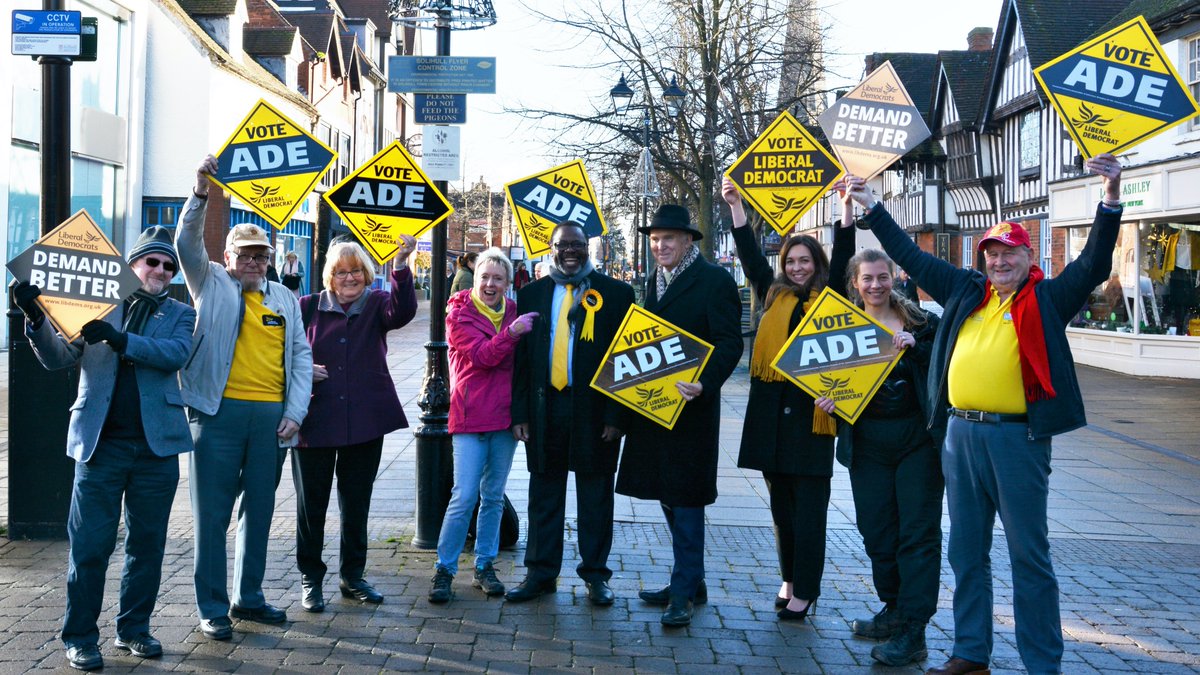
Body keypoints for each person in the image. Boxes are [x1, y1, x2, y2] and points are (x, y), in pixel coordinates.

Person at [842, 152, 1124, 675]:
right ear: (983, 258)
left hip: (1016, 439)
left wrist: (1109, 200)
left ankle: (1042, 663)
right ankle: (971, 652)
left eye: (1009, 254)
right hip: (959, 437)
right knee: (965, 554)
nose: (999, 262)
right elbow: (910, 254)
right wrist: (871, 207)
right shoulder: (966, 292)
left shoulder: (1047, 298)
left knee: (1028, 557)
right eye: (991, 254)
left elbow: (1094, 265)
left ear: (1027, 256)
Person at [13, 228, 195, 671]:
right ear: (132, 266)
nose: (161, 271)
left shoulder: (181, 312)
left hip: (157, 450)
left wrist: (122, 341)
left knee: (147, 546)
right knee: (90, 547)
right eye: (153, 262)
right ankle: (79, 637)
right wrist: (35, 317)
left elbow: (176, 353)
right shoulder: (95, 307)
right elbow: (58, 358)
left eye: (169, 266)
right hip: (100, 448)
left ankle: (134, 629)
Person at [177, 155, 313, 641]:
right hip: (216, 414)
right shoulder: (209, 281)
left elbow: (300, 358)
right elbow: (185, 242)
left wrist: (295, 413)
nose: (254, 263)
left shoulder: (284, 299)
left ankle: (248, 598)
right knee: (211, 514)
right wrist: (200, 191)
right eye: (246, 255)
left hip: (271, 419)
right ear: (229, 257)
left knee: (259, 509)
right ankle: (212, 606)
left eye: (262, 256)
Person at [826, 181, 945, 667]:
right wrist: (828, 399)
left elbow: (942, 378)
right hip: (868, 446)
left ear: (894, 277)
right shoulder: (841, 332)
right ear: (855, 284)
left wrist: (918, 356)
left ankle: (914, 630)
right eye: (866, 278)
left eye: (882, 276)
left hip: (917, 445)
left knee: (917, 534)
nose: (875, 284)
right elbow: (828, 380)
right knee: (878, 531)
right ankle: (893, 610)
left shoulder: (922, 326)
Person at [616, 204, 743, 627]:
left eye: (668, 238)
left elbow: (729, 342)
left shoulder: (715, 280)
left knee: (686, 500)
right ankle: (691, 581)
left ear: (688, 240)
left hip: (692, 409)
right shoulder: (656, 280)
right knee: (669, 496)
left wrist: (705, 383)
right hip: (657, 408)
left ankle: (684, 592)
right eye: (654, 239)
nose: (660, 245)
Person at [721, 177, 836, 623]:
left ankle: (806, 590)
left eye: (805, 260)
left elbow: (845, 255)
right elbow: (750, 259)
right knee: (781, 509)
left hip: (812, 419)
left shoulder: (832, 298)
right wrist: (735, 208)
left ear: (817, 263)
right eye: (792, 260)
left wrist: (845, 216)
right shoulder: (773, 292)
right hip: (771, 419)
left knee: (809, 511)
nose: (798, 267)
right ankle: (788, 578)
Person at [506, 221, 636, 605]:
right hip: (545, 409)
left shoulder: (617, 293)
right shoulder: (529, 294)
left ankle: (596, 576)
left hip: (596, 411)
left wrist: (617, 416)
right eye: (563, 245)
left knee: (595, 495)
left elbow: (624, 358)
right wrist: (520, 413)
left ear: (588, 248)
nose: (570, 251)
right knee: (543, 493)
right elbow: (522, 361)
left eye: (577, 244)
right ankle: (540, 573)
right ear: (551, 248)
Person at [294, 236, 418, 612]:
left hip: (364, 420)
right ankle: (310, 578)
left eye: (356, 271)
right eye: (341, 272)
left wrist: (400, 263)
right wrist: (300, 369)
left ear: (366, 275)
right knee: (310, 505)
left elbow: (404, 311)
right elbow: (282, 348)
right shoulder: (307, 307)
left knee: (356, 502)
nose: (349, 278)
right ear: (330, 276)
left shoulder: (378, 304)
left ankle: (353, 576)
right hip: (315, 420)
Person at [428, 248, 537, 603]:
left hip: (504, 419)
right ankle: (444, 569)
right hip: (471, 416)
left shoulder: (515, 313)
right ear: (475, 280)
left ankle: (484, 566)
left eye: (498, 279)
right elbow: (481, 357)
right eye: (484, 278)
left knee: (493, 496)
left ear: (508, 283)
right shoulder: (459, 315)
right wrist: (513, 334)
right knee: (464, 495)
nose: (490, 284)